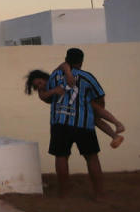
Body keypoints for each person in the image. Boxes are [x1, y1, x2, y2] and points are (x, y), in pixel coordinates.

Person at [25, 48, 106, 198]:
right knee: (91, 157)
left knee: (61, 157)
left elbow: (46, 97)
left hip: (59, 123)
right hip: (83, 123)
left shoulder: (54, 77)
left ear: (66, 59)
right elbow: (100, 96)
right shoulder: (87, 77)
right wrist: (98, 112)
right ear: (81, 61)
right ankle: (99, 194)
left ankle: (63, 193)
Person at [27, 52, 126, 148]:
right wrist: (54, 91)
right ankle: (115, 135)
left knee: (95, 109)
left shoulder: (54, 76)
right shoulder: (44, 89)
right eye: (36, 86)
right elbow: (43, 96)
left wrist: (68, 74)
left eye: (40, 82)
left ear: (43, 77)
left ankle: (117, 123)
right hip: (75, 107)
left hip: (79, 103)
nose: (40, 86)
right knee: (95, 119)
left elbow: (64, 65)